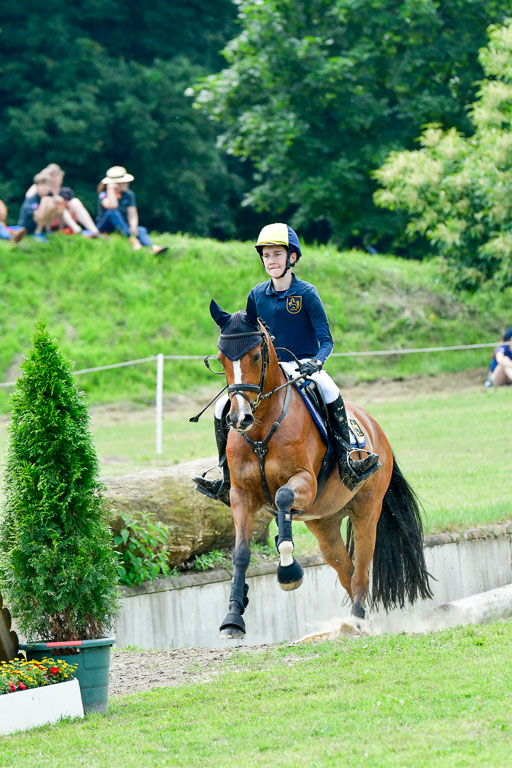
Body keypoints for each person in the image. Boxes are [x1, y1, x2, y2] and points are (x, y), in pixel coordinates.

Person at [194, 222, 381, 505]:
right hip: (267, 370)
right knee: (223, 407)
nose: (271, 261)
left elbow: (326, 340)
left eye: (277, 255)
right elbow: (249, 337)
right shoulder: (256, 294)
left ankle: (347, 462)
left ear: (291, 257)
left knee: (329, 390)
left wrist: (316, 363)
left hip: (303, 364)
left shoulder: (307, 293)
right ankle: (226, 476)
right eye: (266, 256)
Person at [96, 166, 168, 254]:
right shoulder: (103, 194)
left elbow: (132, 214)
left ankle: (151, 247)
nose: (127, 183)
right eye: (123, 182)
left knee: (141, 229)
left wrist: (133, 226)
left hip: (122, 226)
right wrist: (111, 190)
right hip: (105, 227)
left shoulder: (129, 194)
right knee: (112, 212)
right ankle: (132, 240)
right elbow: (113, 206)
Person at [25, 163, 101, 237]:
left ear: (61, 176)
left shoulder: (67, 191)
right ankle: (76, 229)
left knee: (75, 202)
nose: (55, 179)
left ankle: (94, 231)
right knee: (56, 204)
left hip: (64, 220)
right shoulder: (44, 191)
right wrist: (42, 176)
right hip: (48, 220)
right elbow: (29, 196)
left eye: (57, 176)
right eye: (52, 176)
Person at [17, 172, 67, 241]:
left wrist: (59, 203)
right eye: (43, 185)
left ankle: (47, 230)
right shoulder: (32, 199)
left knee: (53, 202)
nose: (45, 188)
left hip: (43, 224)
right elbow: (33, 214)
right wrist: (45, 203)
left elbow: (58, 213)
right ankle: (38, 232)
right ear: (37, 187)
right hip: (28, 226)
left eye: (47, 186)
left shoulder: (49, 198)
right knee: (46, 200)